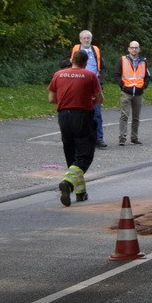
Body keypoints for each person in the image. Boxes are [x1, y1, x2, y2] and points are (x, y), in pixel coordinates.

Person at [48, 50, 104, 206]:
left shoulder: (58, 74)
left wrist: (66, 102)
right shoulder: (90, 76)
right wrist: (86, 102)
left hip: (63, 116)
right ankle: (68, 183)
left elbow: (52, 98)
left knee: (71, 153)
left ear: (72, 60)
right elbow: (100, 99)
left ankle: (80, 193)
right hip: (82, 116)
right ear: (86, 63)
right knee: (85, 155)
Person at [70, 30, 106, 148]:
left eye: (88, 38)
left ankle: (98, 139)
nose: (86, 40)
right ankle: (79, 139)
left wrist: (100, 81)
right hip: (79, 85)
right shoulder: (75, 50)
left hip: (94, 85)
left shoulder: (96, 50)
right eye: (84, 38)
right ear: (80, 39)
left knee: (96, 114)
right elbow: (63, 63)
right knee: (79, 113)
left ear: (91, 39)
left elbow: (103, 67)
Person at [115, 40, 151, 146]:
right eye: (132, 47)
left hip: (138, 93)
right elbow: (116, 75)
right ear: (129, 49)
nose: (134, 49)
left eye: (136, 47)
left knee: (136, 117)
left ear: (139, 49)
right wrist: (122, 86)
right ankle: (122, 138)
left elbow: (148, 76)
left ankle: (134, 137)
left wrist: (144, 86)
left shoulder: (144, 61)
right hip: (126, 92)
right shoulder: (122, 60)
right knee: (124, 115)